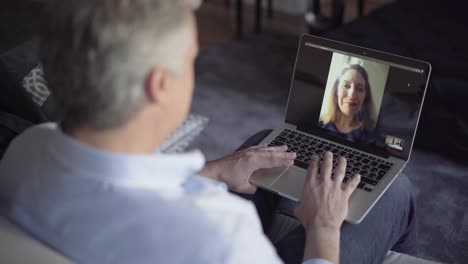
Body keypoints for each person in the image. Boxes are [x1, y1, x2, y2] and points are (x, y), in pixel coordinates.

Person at [0, 1, 417, 263]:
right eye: (191, 59)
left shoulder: (25, 152)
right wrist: (323, 228)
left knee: (261, 144)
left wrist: (214, 171)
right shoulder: (220, 232)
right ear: (160, 85)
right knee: (396, 193)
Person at [320, 64, 376, 144]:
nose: (352, 95)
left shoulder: (370, 136)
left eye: (359, 89)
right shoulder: (321, 124)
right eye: (346, 86)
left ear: (365, 96)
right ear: (336, 91)